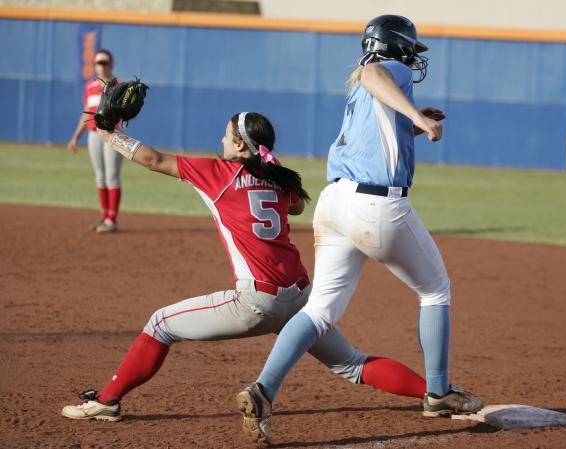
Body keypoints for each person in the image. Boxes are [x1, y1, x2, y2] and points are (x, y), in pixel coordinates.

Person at [61, 111, 429, 427]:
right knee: (351, 365)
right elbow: (297, 207)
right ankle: (436, 394)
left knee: (160, 324)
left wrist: (110, 133)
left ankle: (107, 402)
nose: (220, 139)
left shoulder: (218, 173)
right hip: (303, 301)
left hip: (255, 303)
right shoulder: (279, 179)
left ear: (240, 146)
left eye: (226, 135)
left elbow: (154, 159)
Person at [237, 15, 484, 446]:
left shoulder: (359, 84)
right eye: (410, 49)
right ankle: (438, 393)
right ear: (397, 47)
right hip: (376, 204)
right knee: (435, 290)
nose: (413, 58)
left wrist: (409, 120)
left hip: (335, 203)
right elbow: (375, 72)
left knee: (319, 311)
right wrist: (418, 118)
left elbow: (372, 115)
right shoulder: (386, 69)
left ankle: (262, 390)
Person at [67, 49, 123, 233]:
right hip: (93, 135)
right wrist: (76, 137)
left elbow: (127, 110)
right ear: (95, 65)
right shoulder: (90, 86)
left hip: (112, 134)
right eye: (99, 62)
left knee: (112, 177)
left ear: (111, 64)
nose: (102, 66)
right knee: (100, 177)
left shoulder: (119, 85)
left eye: (105, 62)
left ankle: (111, 220)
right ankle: (104, 216)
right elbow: (87, 113)